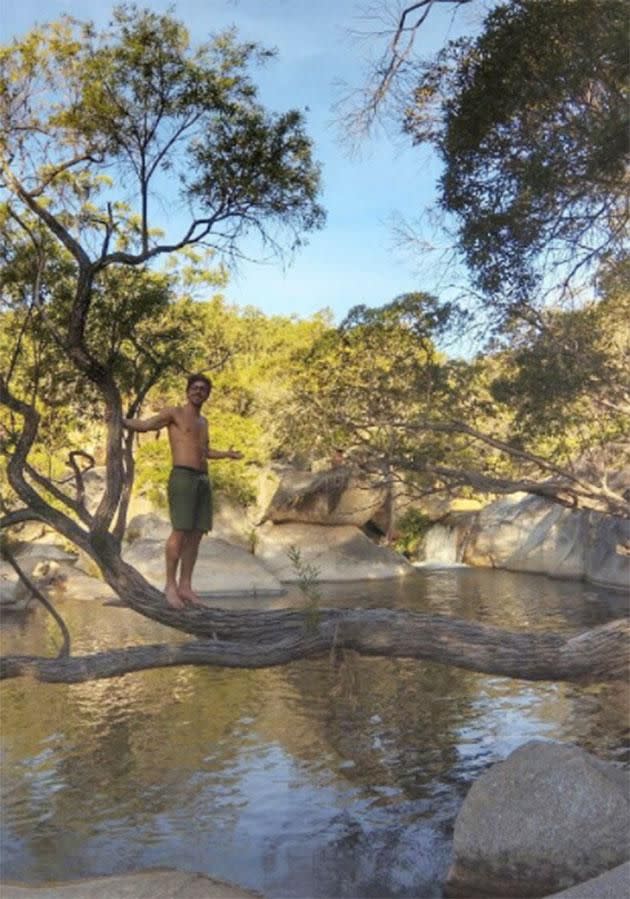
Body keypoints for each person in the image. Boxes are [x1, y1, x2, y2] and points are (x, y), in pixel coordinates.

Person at [123, 374, 242, 609]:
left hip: (202, 479)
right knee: (180, 532)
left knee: (197, 534)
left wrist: (228, 455)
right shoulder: (174, 413)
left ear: (207, 395)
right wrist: (120, 420)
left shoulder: (203, 422)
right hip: (182, 477)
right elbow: (146, 425)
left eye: (203, 389)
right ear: (188, 391)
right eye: (195, 388)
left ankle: (186, 586)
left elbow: (206, 451)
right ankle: (170, 586)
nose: (199, 391)